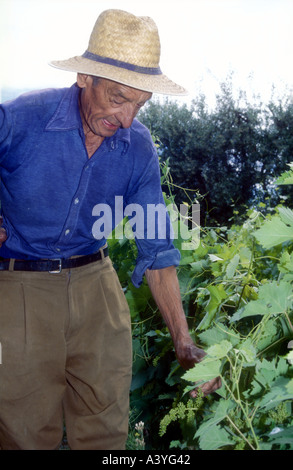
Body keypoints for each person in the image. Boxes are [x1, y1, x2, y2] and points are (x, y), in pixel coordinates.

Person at [0, 9, 220, 450]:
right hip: (19, 284)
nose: (126, 119)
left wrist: (183, 340)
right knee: (25, 434)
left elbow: (157, 251)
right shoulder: (22, 118)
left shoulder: (138, 148)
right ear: (85, 77)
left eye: (139, 105)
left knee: (105, 436)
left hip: (96, 287)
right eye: (118, 98)